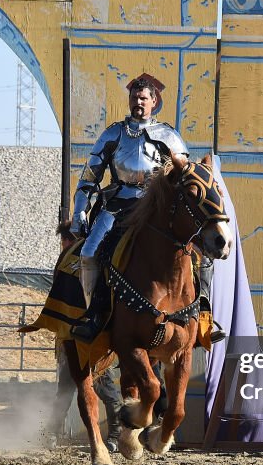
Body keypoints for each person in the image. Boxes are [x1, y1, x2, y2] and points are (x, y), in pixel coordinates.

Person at [68, 73, 222, 344]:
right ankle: (95, 315)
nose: (138, 102)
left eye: (143, 98)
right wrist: (80, 210)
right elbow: (89, 177)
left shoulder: (168, 136)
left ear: (154, 102)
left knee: (202, 255)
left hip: (156, 208)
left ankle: (204, 318)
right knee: (90, 253)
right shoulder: (113, 133)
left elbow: (185, 175)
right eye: (134, 97)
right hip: (117, 206)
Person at [44, 221, 123, 451]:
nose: (65, 246)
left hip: (89, 337)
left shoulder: (80, 262)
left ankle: (114, 435)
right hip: (79, 336)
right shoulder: (78, 262)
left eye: (65, 241)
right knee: (76, 389)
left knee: (101, 388)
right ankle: (52, 432)